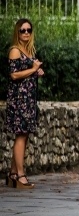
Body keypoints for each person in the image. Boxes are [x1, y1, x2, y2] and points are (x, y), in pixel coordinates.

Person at [6, 18, 44, 189]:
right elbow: (14, 75)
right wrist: (33, 69)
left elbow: (27, 72)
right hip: (19, 100)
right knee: (21, 135)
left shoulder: (28, 50)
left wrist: (37, 72)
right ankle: (20, 175)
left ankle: (13, 173)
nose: (26, 33)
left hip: (28, 99)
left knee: (24, 134)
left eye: (29, 30)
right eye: (23, 30)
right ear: (18, 32)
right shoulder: (15, 51)